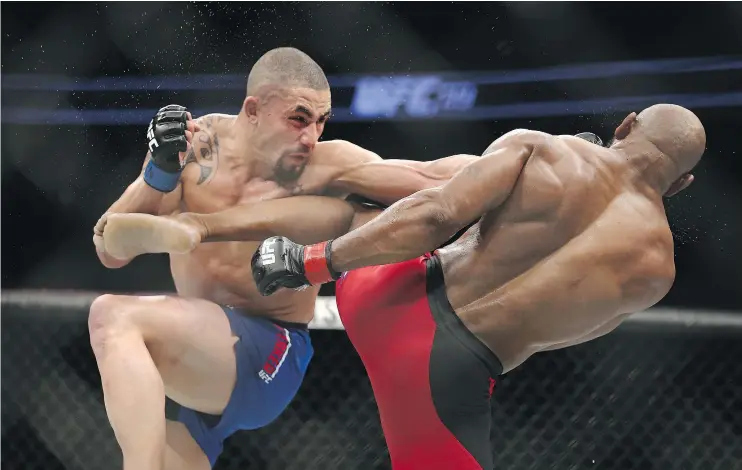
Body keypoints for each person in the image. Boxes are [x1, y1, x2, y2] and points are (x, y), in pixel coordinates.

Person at [245, 104, 706, 469]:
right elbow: (558, 335)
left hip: (381, 292)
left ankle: (266, 181)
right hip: (445, 376)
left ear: (626, 126)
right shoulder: (656, 269)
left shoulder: (544, 149)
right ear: (682, 184)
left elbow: (437, 214)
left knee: (385, 193)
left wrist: (311, 261)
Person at [88, 47, 470, 470]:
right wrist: (157, 173)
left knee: (114, 316)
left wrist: (520, 157)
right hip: (198, 353)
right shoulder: (196, 147)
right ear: (253, 110)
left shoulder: (329, 166)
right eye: (299, 118)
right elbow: (110, 249)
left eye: (321, 121)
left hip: (272, 349)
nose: (311, 137)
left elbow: (437, 177)